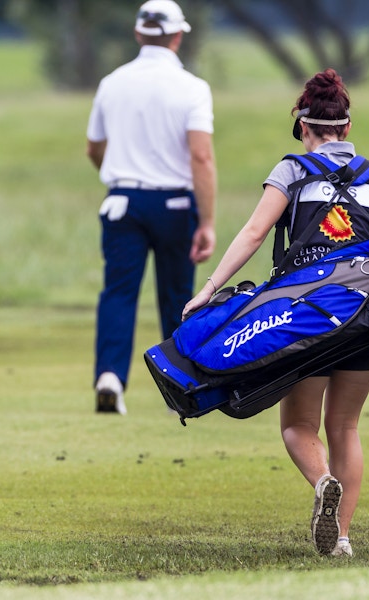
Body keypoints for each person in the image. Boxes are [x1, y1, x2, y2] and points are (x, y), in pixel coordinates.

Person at [182, 68, 369, 557]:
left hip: (308, 319)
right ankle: (341, 540)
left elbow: (254, 235)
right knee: (346, 427)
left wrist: (210, 288)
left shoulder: (293, 171)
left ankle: (322, 484)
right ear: (347, 129)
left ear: (303, 127)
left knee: (298, 427)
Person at [86, 0, 216, 415]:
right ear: (178, 35)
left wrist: (118, 169)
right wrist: (208, 220)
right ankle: (180, 388)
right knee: (177, 296)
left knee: (119, 293)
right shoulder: (192, 88)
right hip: (175, 204)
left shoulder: (112, 83)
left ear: (139, 33)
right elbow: (201, 157)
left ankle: (110, 376)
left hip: (123, 202)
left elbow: (94, 147)